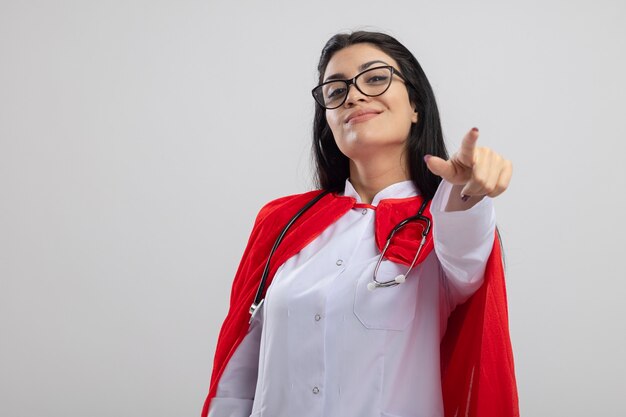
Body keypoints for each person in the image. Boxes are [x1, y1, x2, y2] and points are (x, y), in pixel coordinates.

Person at [201, 31, 518, 417]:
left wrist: (467, 193)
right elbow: (239, 371)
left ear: (415, 104)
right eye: (335, 91)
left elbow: (466, 252)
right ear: (329, 121)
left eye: (374, 78)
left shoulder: (442, 225)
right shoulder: (282, 223)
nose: (353, 95)